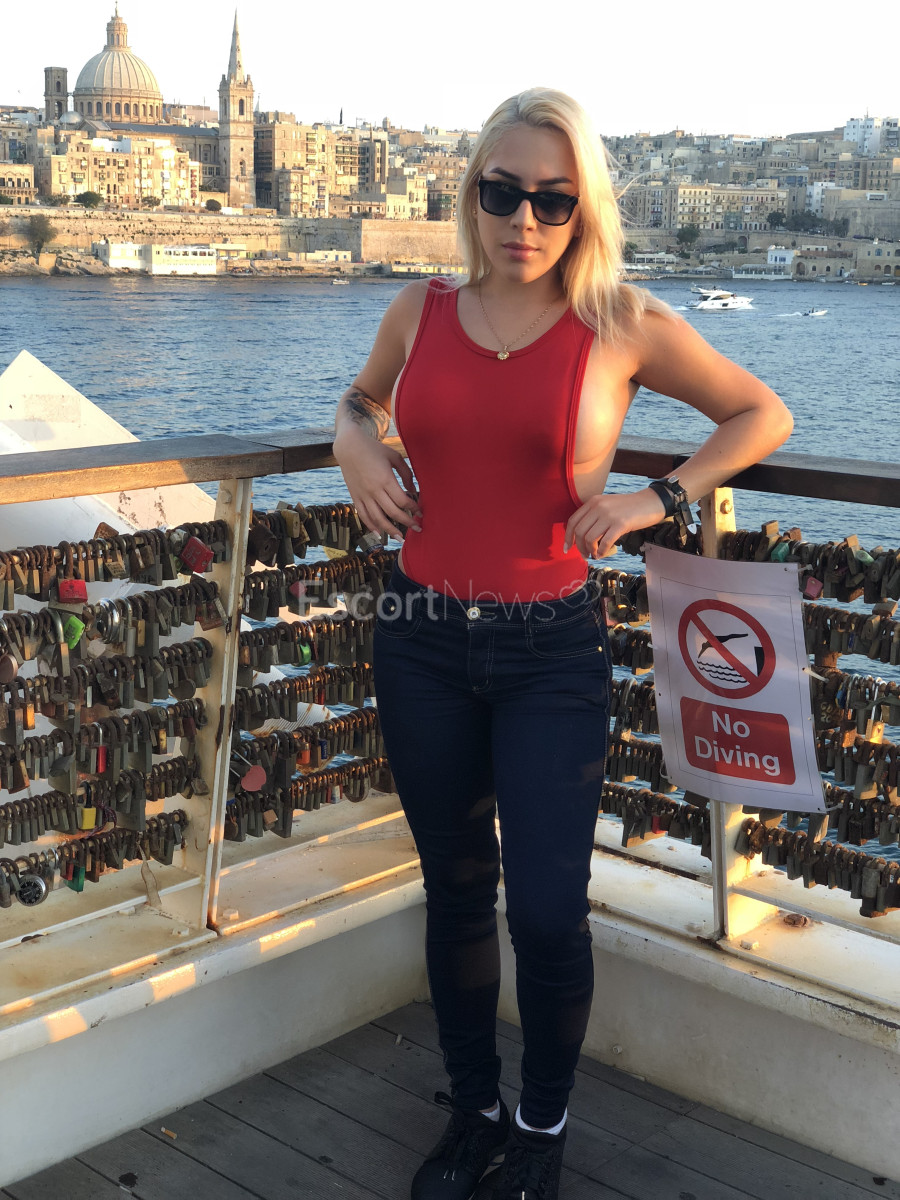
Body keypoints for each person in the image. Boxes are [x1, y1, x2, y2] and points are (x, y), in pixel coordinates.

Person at [333, 88, 792, 1200]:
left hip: (550, 649)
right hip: (421, 635)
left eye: (553, 199)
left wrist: (657, 499)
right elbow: (361, 399)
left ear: (585, 209)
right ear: (470, 195)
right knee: (455, 887)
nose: (524, 220)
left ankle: (541, 1129)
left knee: (545, 908)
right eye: (503, 193)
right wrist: (355, 443)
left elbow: (760, 414)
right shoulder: (421, 309)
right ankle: (473, 1112)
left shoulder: (622, 321)